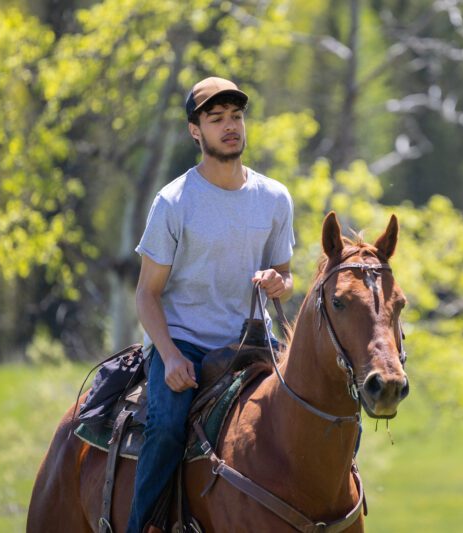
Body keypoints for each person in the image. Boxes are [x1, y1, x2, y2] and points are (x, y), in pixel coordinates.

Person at [127, 76, 295, 532]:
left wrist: (278, 281)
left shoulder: (274, 198)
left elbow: (284, 275)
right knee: (166, 428)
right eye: (216, 118)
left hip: (252, 345)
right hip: (187, 345)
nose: (230, 126)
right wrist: (169, 356)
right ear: (195, 131)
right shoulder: (174, 202)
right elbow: (146, 294)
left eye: (236, 116)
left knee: (322, 406)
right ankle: (143, 525)